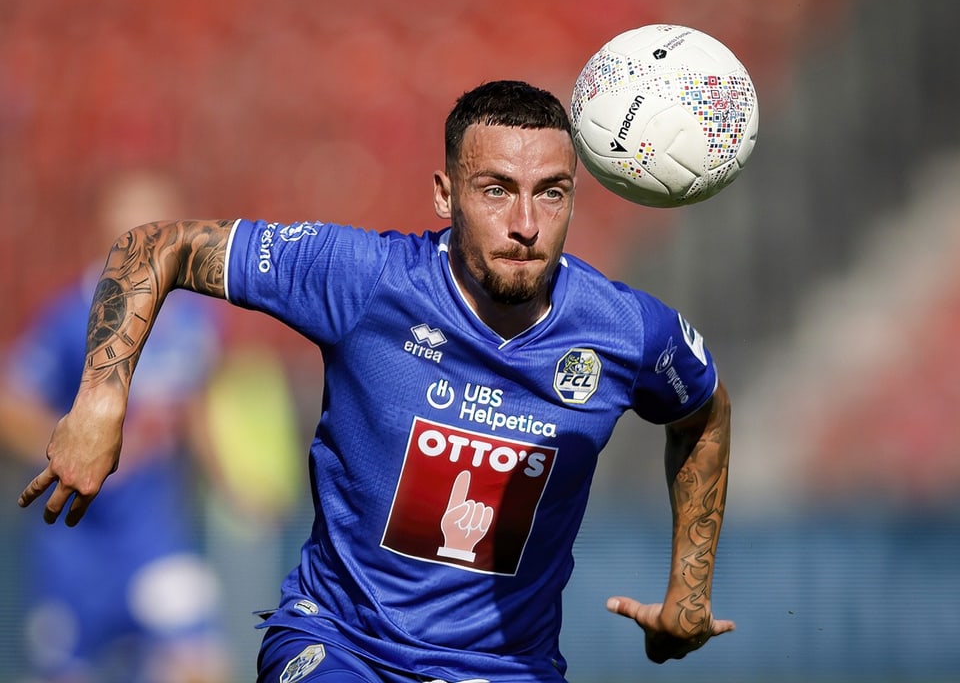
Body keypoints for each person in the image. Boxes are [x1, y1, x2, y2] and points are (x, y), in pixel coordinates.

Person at [19, 81, 733, 682]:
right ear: (443, 195)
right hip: (339, 645)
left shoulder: (628, 334)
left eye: (551, 194)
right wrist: (100, 402)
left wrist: (690, 589)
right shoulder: (362, 279)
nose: (525, 224)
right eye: (496, 191)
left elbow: (702, 413)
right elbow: (156, 244)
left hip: (506, 667)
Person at [3, 169, 231, 683]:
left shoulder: (197, 321)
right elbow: (11, 403)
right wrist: (68, 445)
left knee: (200, 666)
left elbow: (192, 404)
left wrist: (228, 479)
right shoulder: (68, 318)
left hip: (153, 537)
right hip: (76, 547)